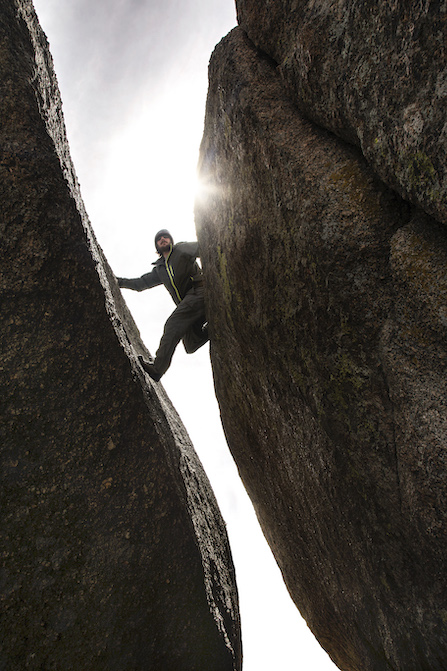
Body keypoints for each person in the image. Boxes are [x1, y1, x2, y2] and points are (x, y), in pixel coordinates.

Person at [117, 230, 208, 382]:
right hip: (188, 303)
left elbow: (203, 247)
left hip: (199, 291)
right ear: (156, 246)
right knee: (190, 344)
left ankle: (157, 368)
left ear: (171, 240)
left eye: (165, 237)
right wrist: (119, 282)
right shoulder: (160, 269)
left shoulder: (181, 249)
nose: (163, 239)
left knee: (172, 325)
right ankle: (214, 326)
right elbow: (141, 283)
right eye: (159, 239)